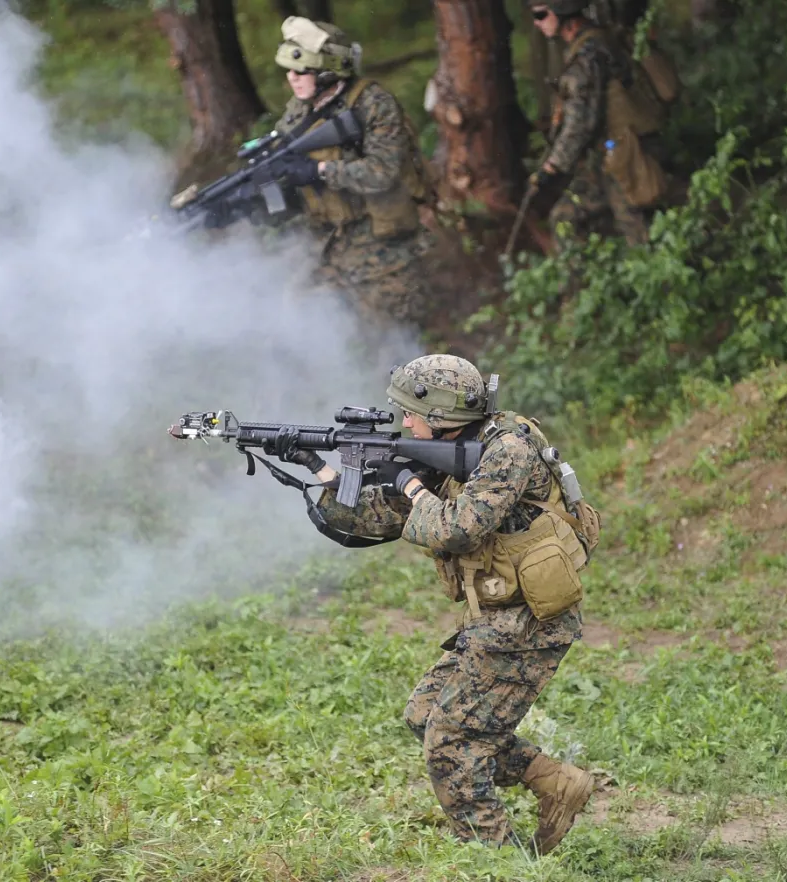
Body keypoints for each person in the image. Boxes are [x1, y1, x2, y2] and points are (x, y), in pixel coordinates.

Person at [281, 354, 596, 854]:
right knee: (424, 714)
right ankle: (555, 781)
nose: (404, 422)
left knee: (451, 742)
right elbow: (383, 520)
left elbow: (454, 528)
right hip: (496, 620)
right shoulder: (446, 448)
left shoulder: (506, 452)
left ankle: (498, 860)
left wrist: (405, 480)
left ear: (444, 414)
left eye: (411, 413)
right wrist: (319, 469)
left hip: (528, 624)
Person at [271, 16, 437, 326]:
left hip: (381, 242)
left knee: (389, 336)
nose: (292, 78)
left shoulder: (374, 104)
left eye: (301, 71)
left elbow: (383, 171)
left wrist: (319, 170)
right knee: (296, 312)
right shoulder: (299, 108)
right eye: (289, 71)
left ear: (326, 71)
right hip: (330, 240)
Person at [527, 0, 668, 249]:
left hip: (626, 155)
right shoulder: (598, 40)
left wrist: (552, 167)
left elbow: (580, 125)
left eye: (540, 14)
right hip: (613, 153)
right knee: (565, 219)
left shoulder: (587, 57)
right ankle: (582, 285)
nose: (537, 23)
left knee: (639, 233)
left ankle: (667, 283)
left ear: (562, 12)